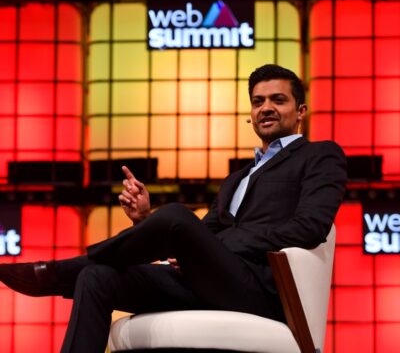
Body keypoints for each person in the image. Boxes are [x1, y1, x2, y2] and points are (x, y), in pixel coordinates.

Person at [0, 64, 347, 352]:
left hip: (259, 289)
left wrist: (215, 245)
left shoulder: (320, 155)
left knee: (178, 216)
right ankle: (78, 271)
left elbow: (310, 227)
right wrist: (145, 220)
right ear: (251, 114)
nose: (266, 108)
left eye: (278, 100)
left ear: (300, 111)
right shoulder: (237, 178)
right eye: (258, 102)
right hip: (206, 282)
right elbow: (203, 235)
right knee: (97, 277)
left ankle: (61, 272)